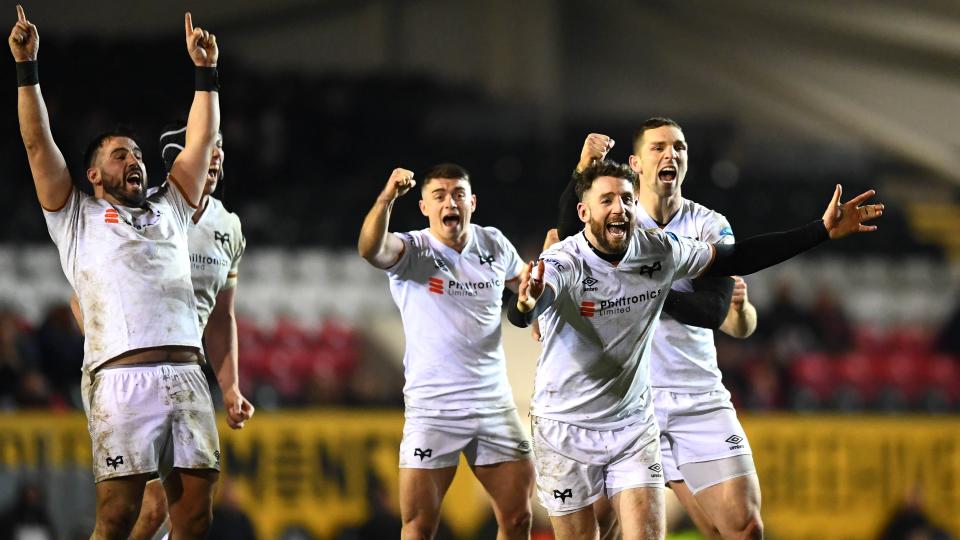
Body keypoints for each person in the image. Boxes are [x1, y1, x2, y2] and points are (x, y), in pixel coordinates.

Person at [508, 159, 882, 539]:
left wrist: (819, 230)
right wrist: (527, 304)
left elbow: (738, 257)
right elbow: (524, 311)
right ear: (584, 212)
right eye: (606, 200)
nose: (618, 208)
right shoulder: (563, 261)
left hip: (632, 425)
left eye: (626, 198)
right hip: (564, 427)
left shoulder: (658, 250)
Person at [10, 6, 223, 539]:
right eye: (120, 153)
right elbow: (37, 145)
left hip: (187, 373)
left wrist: (205, 75)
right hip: (120, 377)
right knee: (118, 516)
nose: (136, 160)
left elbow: (200, 142)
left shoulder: (170, 204)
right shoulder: (75, 216)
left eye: (138, 154)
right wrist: (26, 68)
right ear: (93, 173)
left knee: (194, 516)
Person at [563, 124, 761, 539]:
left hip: (697, 395)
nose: (670, 154)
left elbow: (718, 311)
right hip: (627, 401)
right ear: (635, 163)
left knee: (741, 527)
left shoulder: (710, 225)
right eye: (658, 147)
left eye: (679, 147)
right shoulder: (614, 221)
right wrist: (581, 171)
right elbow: (570, 250)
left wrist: (643, 288)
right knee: (602, 527)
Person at [69, 123, 255, 539]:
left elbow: (221, 317)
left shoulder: (230, 228)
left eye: (220, 147)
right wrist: (117, 349)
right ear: (176, 162)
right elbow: (80, 298)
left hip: (185, 373)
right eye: (206, 146)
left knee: (190, 512)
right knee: (148, 509)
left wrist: (229, 387)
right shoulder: (148, 212)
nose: (215, 154)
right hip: (128, 374)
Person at [358, 164, 535, 539]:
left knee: (518, 519)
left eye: (457, 194)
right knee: (419, 526)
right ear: (424, 206)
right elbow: (370, 248)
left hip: (493, 404)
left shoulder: (494, 244)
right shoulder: (413, 250)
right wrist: (387, 197)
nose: (449, 202)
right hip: (434, 409)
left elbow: (524, 280)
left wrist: (533, 299)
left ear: (472, 202)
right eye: (439, 195)